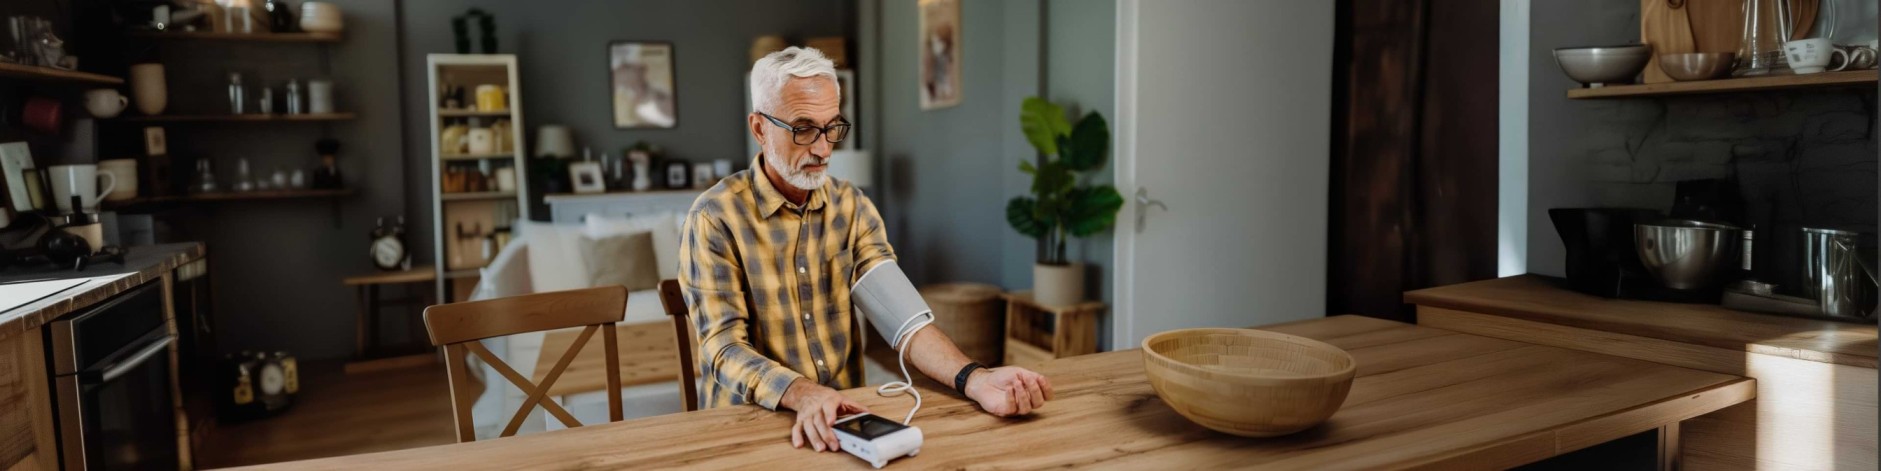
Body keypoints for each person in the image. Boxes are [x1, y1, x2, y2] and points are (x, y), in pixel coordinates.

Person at [678, 47, 1052, 453]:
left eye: (832, 127)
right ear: (759, 128)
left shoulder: (852, 207)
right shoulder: (715, 217)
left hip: (847, 421)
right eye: (803, 129)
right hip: (749, 427)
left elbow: (903, 319)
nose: (823, 150)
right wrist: (804, 393)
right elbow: (723, 347)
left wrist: (975, 379)